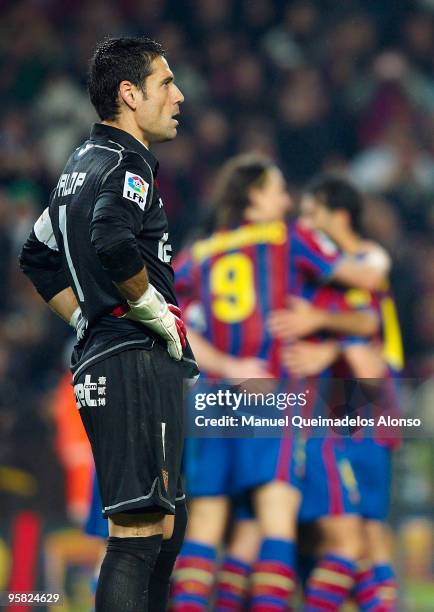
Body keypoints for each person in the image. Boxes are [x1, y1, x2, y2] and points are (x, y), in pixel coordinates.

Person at [19, 37, 198, 612]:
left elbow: (38, 256)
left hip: (116, 355)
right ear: (129, 93)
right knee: (139, 535)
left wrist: (85, 320)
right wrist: (153, 317)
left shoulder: (80, 166)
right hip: (134, 360)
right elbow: (113, 239)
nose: (179, 96)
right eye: (166, 83)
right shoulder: (125, 163)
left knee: (166, 527)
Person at [171, 153, 389, 611]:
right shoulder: (289, 240)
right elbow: (368, 277)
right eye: (278, 190)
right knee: (277, 522)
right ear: (254, 196)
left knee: (211, 525)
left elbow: (171, 320)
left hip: (211, 398)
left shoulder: (200, 253)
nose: (288, 201)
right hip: (272, 395)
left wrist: (226, 367)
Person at [272, 175, 401, 610]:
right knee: (331, 540)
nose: (304, 224)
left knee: (364, 537)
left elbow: (369, 343)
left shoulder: (362, 262)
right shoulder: (317, 270)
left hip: (364, 414)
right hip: (327, 415)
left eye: (312, 214)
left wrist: (326, 341)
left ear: (337, 215)